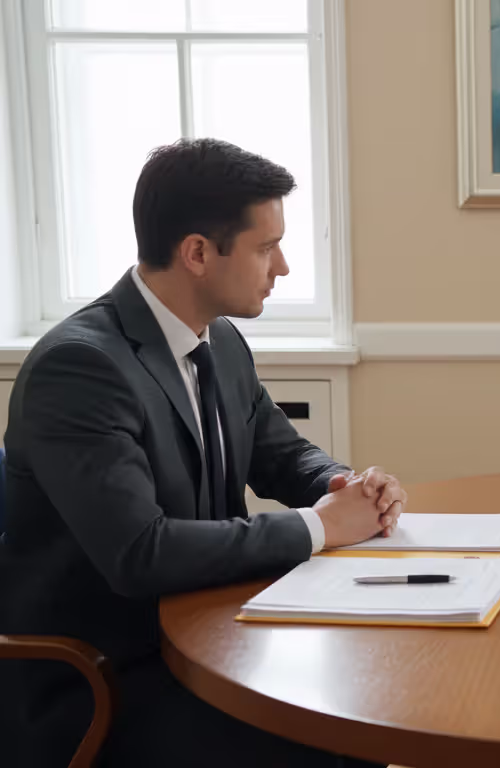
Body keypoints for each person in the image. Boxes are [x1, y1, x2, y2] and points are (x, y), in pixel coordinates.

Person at [0, 138, 406, 767]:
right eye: (266, 247)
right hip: (111, 679)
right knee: (343, 742)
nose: (284, 267)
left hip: (212, 641)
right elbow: (141, 553)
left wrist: (344, 485)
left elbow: (282, 456)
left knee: (374, 697)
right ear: (196, 253)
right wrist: (321, 527)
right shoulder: (80, 368)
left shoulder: (220, 341)